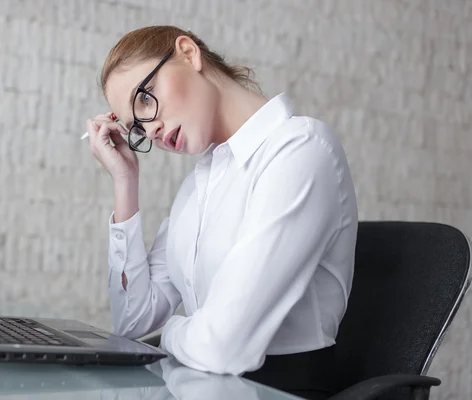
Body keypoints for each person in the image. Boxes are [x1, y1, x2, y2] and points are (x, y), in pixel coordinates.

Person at [85, 25, 358, 399]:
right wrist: (125, 182)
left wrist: (171, 333)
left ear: (188, 53)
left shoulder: (301, 150)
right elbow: (132, 323)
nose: (150, 130)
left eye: (145, 100)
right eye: (136, 128)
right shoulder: (197, 187)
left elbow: (222, 347)